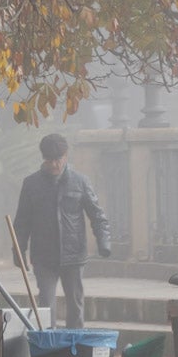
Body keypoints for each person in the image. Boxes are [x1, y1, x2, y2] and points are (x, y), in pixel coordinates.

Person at [12, 133, 111, 329]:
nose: (54, 165)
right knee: (46, 306)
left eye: (58, 160)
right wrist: (18, 250)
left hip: (74, 255)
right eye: (50, 160)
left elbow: (97, 215)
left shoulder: (80, 182)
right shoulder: (31, 184)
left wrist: (104, 242)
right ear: (44, 159)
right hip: (43, 257)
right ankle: (49, 349)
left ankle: (74, 349)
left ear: (66, 156)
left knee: (75, 305)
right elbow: (22, 222)